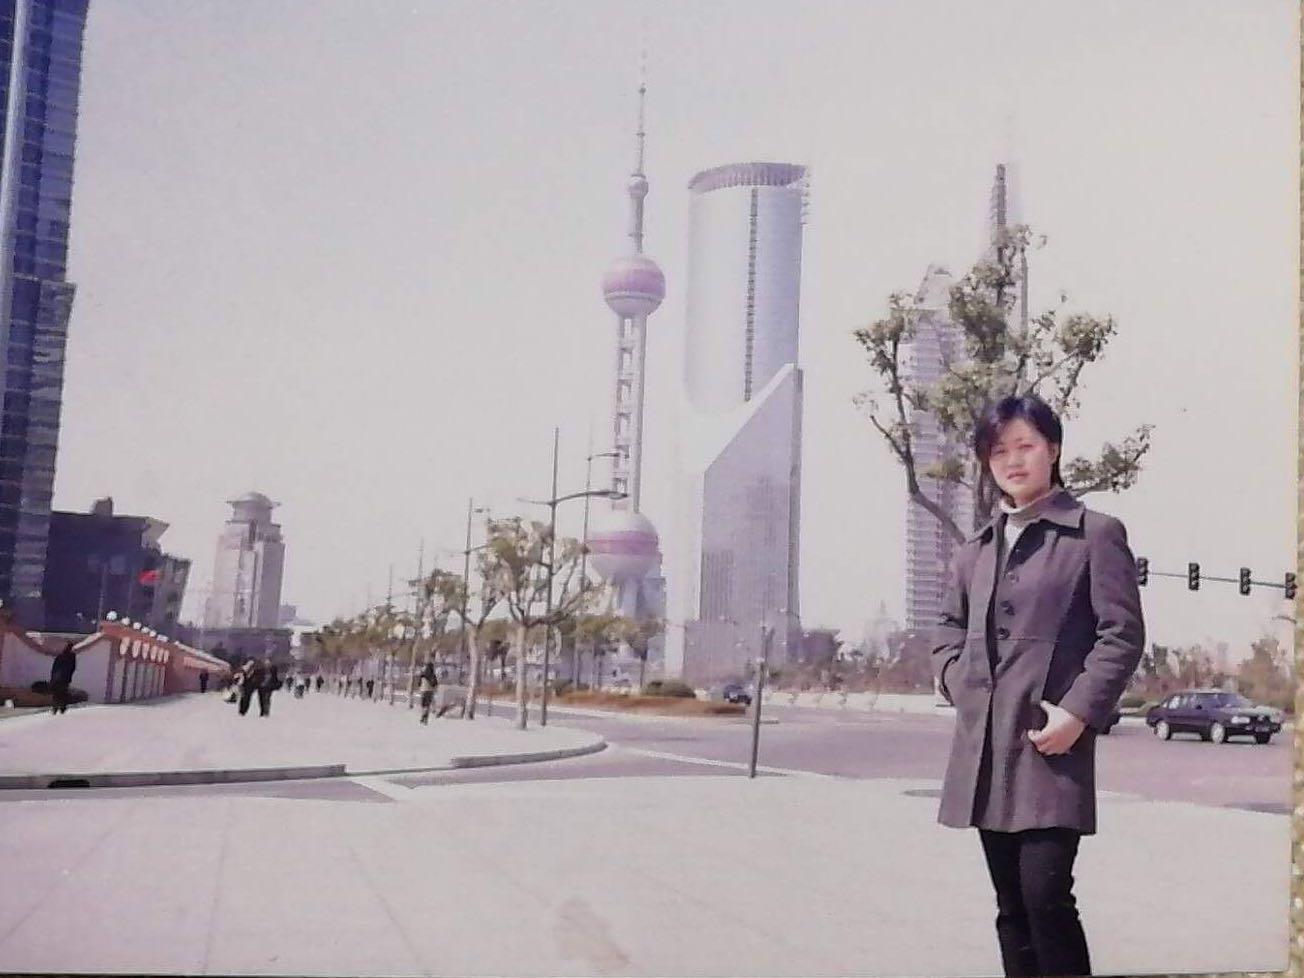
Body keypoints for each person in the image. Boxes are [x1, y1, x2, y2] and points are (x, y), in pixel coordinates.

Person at [931, 393, 1144, 978]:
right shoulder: (974, 550)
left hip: (1052, 748)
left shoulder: (1095, 535)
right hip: (985, 750)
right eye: (999, 451)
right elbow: (946, 629)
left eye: (1025, 446)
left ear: (1052, 449)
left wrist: (1078, 713)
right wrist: (957, 681)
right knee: (1011, 908)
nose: (1013, 460)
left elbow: (1122, 634)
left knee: (1046, 899)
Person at [49, 641, 77, 715]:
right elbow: (72, 668)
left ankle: (55, 707)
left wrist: (53, 678)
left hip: (58, 678)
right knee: (63, 693)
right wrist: (69, 676)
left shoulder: (60, 656)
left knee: (57, 693)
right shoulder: (72, 656)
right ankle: (62, 707)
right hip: (65, 678)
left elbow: (55, 667)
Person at [417, 659, 439, 725]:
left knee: (423, 705)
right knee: (427, 705)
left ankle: (423, 716)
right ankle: (425, 718)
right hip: (430, 691)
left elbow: (419, 683)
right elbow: (435, 684)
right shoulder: (433, 675)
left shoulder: (422, 675)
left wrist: (421, 686)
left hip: (423, 690)